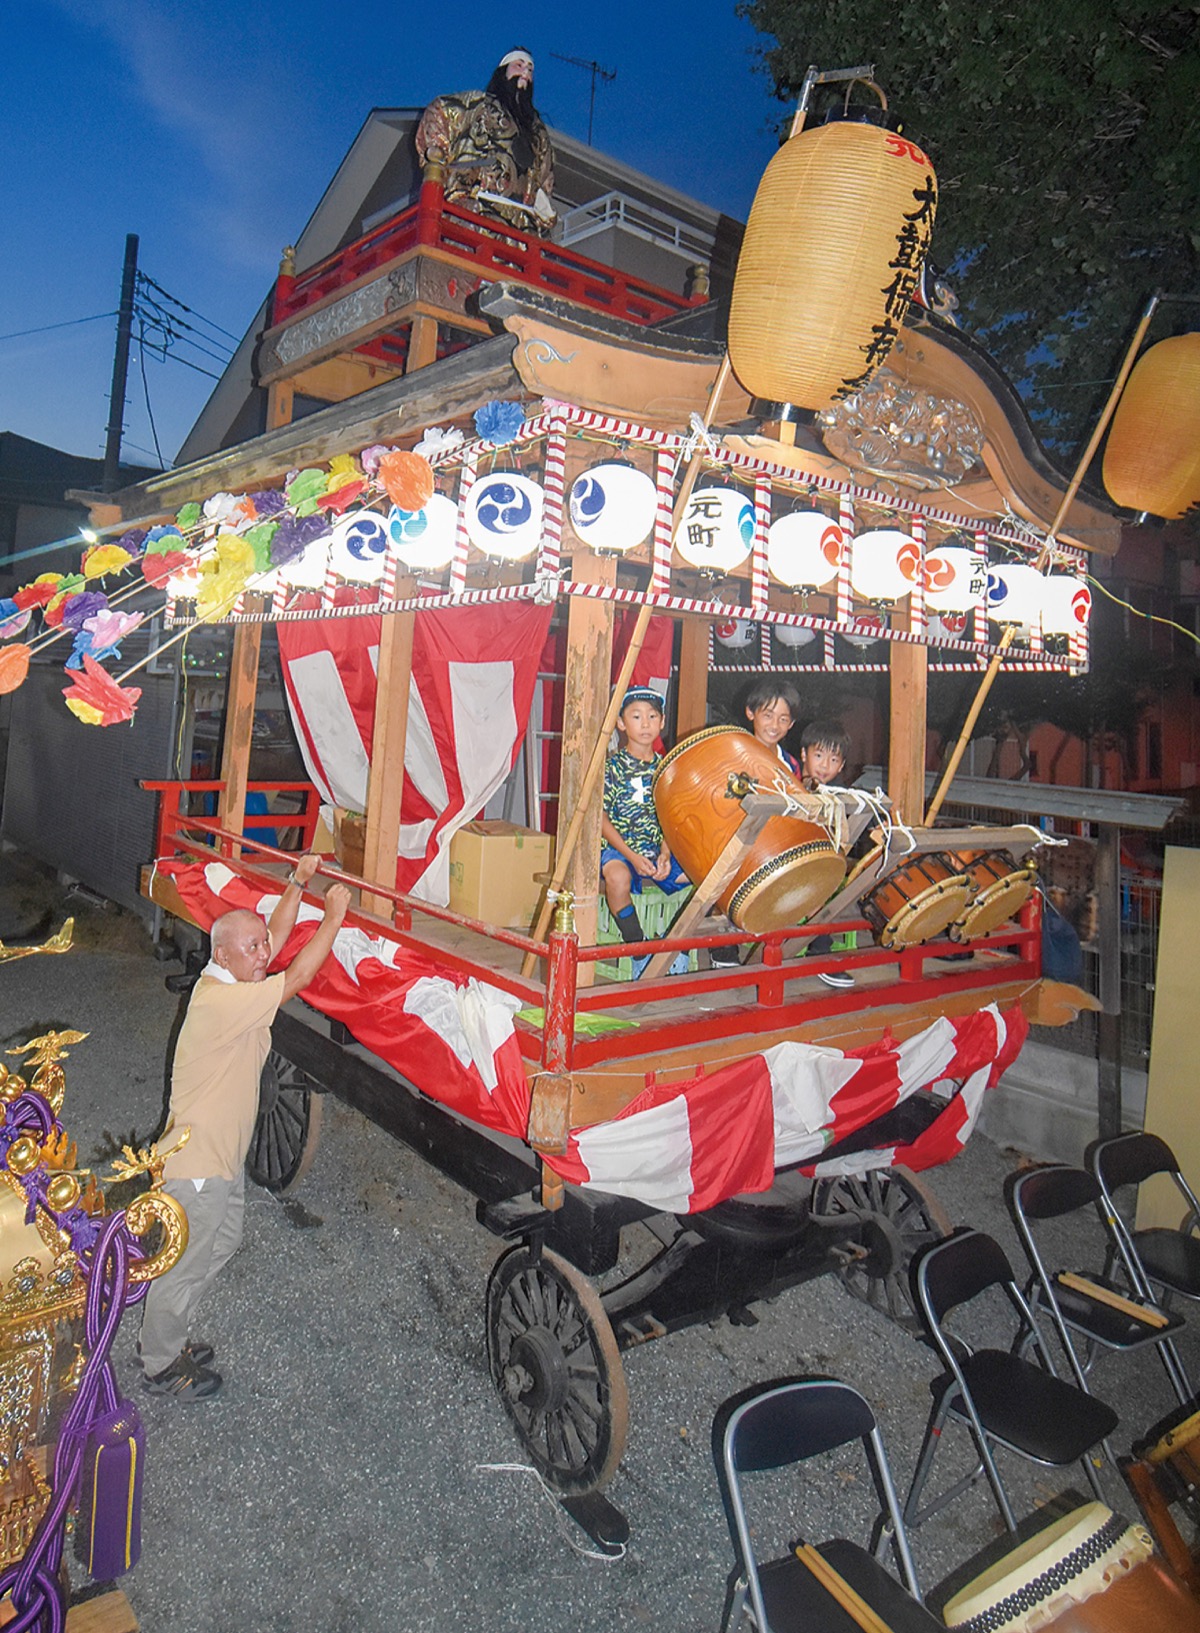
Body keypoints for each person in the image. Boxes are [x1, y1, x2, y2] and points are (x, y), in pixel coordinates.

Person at [139, 856, 351, 1401]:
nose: (264, 954)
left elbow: (278, 941)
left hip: (222, 1160)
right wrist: (333, 918)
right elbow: (298, 974)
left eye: (260, 946)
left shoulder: (232, 973)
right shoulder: (223, 1002)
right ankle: (160, 1364)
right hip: (198, 1167)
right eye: (252, 949)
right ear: (224, 955)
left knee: (224, 1242)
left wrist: (298, 883)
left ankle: (173, 1328)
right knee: (183, 1265)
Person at [416, 49, 556, 234]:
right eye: (519, 65)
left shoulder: (537, 131)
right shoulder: (479, 105)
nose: (525, 73)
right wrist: (438, 157)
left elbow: (545, 173)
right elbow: (441, 109)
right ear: (503, 71)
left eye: (530, 70)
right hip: (477, 206)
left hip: (520, 223)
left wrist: (541, 203)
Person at [601, 687, 690, 978]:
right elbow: (599, 818)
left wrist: (665, 853)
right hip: (619, 849)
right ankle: (637, 948)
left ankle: (678, 945)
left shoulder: (666, 769)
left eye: (652, 716)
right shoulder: (612, 767)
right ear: (621, 723)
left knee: (703, 873)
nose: (645, 724)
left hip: (656, 848)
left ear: (662, 722)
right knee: (616, 877)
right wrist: (630, 856)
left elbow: (669, 817)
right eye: (636, 716)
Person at [796, 721, 856, 989]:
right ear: (803, 755)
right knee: (816, 888)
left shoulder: (838, 795)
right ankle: (820, 952)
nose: (824, 765)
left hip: (817, 866)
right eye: (818, 755)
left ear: (841, 766)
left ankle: (819, 946)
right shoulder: (790, 785)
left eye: (833, 759)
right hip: (788, 862)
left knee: (825, 883)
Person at [742, 678, 802, 774]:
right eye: (768, 716)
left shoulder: (791, 766)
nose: (775, 725)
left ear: (791, 723)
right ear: (750, 713)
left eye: (783, 719)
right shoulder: (735, 755)